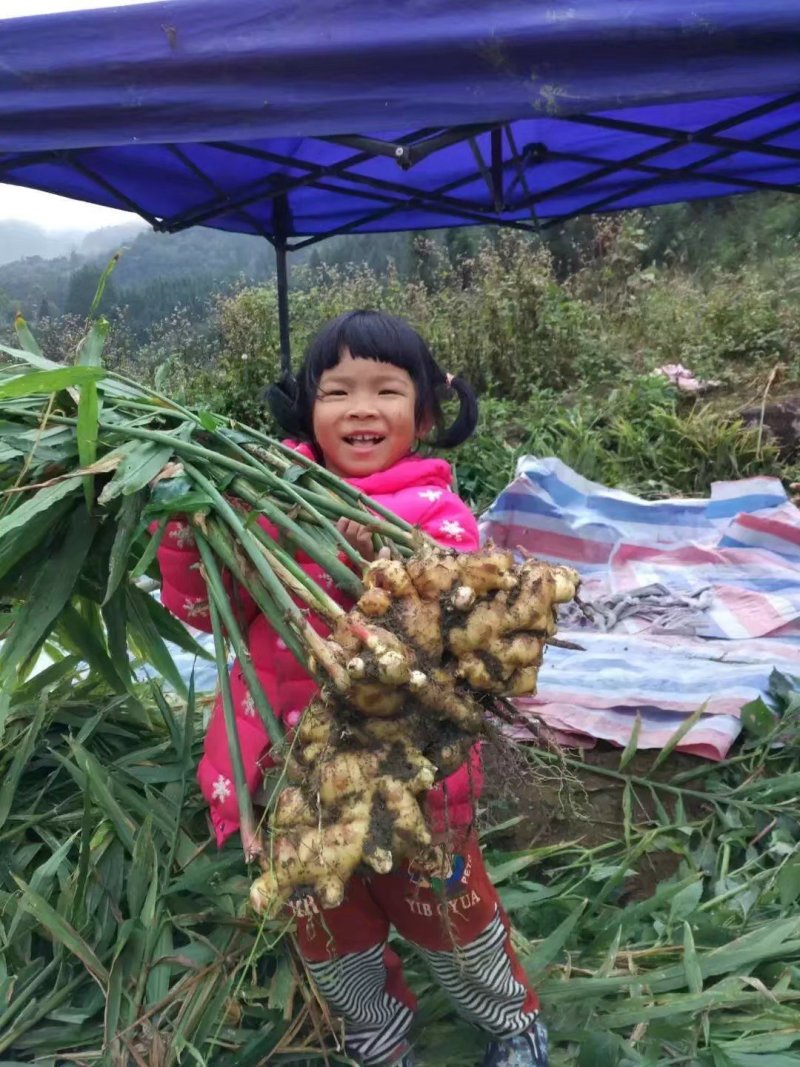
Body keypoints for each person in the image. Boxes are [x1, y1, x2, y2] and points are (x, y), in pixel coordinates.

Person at [156, 310, 548, 1067]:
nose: (361, 407)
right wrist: (184, 524)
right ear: (310, 409)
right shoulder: (263, 509)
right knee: (328, 925)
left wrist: (384, 578)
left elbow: (465, 641)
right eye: (338, 390)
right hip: (284, 770)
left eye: (386, 389)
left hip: (413, 780)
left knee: (449, 915)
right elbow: (207, 612)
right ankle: (375, 1030)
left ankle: (508, 1019)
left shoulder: (441, 521)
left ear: (427, 414)